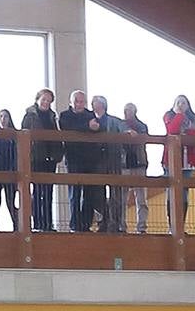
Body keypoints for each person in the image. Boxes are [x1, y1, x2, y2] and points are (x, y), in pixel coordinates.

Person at [161, 95, 195, 233]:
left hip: (187, 162)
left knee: (184, 193)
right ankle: (172, 226)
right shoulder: (169, 115)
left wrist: (187, 131)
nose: (181, 104)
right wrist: (179, 115)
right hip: (171, 160)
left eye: (184, 102)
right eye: (178, 102)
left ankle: (180, 225)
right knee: (172, 193)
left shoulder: (193, 118)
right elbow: (172, 130)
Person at [21, 89, 62, 233]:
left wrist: (57, 154)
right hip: (36, 157)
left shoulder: (52, 116)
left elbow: (56, 135)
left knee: (49, 191)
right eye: (44, 99)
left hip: (50, 158)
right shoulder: (29, 116)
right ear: (38, 99)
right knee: (38, 191)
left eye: (49, 101)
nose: (46, 103)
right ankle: (38, 223)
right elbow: (24, 136)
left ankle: (48, 223)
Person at [59, 90, 97, 232]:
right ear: (71, 102)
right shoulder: (64, 116)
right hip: (74, 158)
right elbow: (70, 129)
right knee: (74, 193)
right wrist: (88, 127)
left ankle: (86, 225)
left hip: (90, 159)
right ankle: (75, 225)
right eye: (76, 101)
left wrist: (93, 127)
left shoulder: (90, 115)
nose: (79, 104)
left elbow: (96, 130)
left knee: (89, 193)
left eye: (82, 101)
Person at [91, 96, 127, 234]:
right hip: (97, 160)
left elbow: (123, 128)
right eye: (95, 103)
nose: (96, 105)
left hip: (113, 159)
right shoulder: (90, 120)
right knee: (98, 193)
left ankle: (115, 223)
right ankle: (103, 221)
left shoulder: (114, 120)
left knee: (115, 193)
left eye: (99, 103)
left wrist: (127, 132)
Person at [122, 103, 149, 234]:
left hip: (139, 164)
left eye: (131, 111)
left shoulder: (142, 126)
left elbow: (142, 140)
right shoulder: (120, 126)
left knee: (141, 198)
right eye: (127, 111)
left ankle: (142, 227)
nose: (128, 113)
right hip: (124, 165)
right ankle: (122, 225)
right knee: (122, 198)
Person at [0, 108, 19, 232]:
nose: (3, 119)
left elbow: (16, 155)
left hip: (10, 172)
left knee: (10, 201)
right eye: (1, 116)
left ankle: (17, 226)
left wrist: (12, 169)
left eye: (6, 116)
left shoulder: (14, 136)